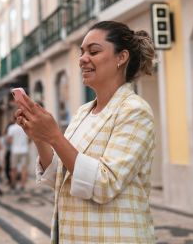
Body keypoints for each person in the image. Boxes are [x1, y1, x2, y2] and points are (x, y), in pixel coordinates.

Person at [15, 21, 156, 243]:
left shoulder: (135, 111)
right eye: (82, 52)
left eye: (94, 51)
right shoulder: (83, 112)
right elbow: (62, 178)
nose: (82, 59)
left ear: (121, 57)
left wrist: (54, 136)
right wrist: (39, 138)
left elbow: (104, 184)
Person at [6, 115, 29, 192]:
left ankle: (13, 184)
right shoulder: (26, 127)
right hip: (24, 150)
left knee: (13, 168)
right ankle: (22, 185)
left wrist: (15, 143)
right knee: (24, 168)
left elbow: (9, 140)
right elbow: (29, 138)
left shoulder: (11, 128)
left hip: (15, 150)